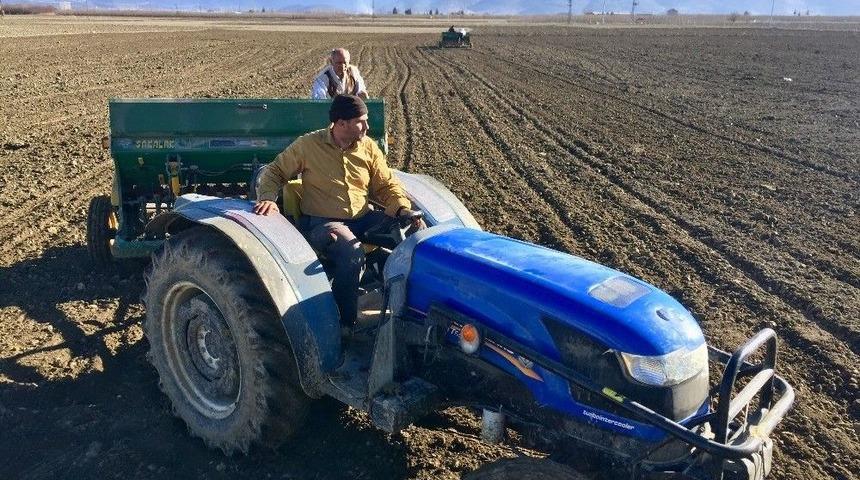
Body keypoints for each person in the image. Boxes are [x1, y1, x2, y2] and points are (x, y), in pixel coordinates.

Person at [254, 95, 421, 328]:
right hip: (324, 223)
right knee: (351, 254)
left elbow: (386, 185)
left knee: (419, 237)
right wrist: (268, 199)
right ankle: (346, 323)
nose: (367, 126)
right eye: (361, 121)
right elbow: (274, 172)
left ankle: (414, 312)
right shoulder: (308, 145)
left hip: (362, 218)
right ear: (341, 123)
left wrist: (401, 207)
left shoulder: (368, 148)